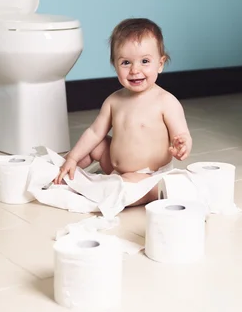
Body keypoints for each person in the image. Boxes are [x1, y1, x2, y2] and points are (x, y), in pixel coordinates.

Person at [53, 18, 193, 206]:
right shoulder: (114, 101)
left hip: (147, 175)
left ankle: (151, 192)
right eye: (126, 62)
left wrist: (182, 144)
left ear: (160, 64)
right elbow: (95, 133)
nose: (135, 70)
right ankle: (66, 171)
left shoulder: (166, 102)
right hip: (114, 167)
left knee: (127, 188)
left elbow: (182, 134)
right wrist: (72, 158)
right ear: (115, 65)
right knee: (95, 145)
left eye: (145, 61)